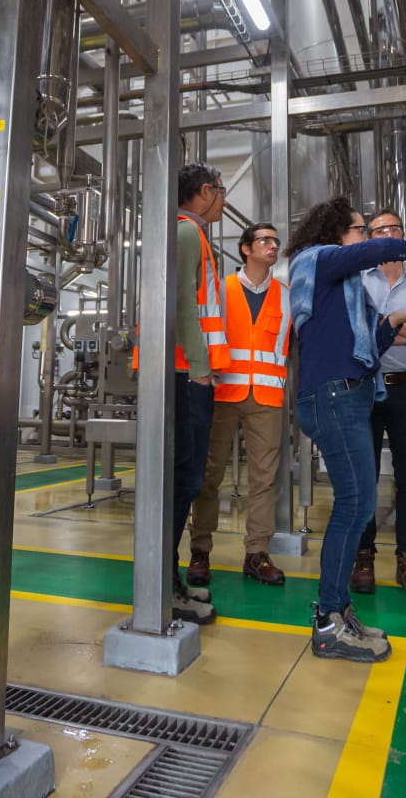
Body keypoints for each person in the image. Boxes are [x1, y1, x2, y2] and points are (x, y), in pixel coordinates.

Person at [287, 198, 406, 662]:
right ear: (336, 231)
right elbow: (368, 254)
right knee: (355, 504)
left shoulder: (346, 288)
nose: (366, 238)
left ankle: (337, 610)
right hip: (333, 396)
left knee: (357, 504)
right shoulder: (315, 260)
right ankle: (328, 622)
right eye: (359, 229)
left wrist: (397, 320)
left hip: (352, 393)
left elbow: (370, 348)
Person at [187, 222, 291, 588]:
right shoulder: (220, 289)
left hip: (267, 398)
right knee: (208, 476)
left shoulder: (286, 295)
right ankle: (200, 550)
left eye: (276, 241)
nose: (273, 246)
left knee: (264, 481)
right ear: (245, 249)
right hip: (222, 395)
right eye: (265, 240)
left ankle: (257, 554)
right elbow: (202, 333)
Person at [352, 208, 406, 596]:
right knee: (362, 476)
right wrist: (400, 327)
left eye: (393, 230)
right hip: (365, 387)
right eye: (378, 231)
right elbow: (356, 332)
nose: (386, 236)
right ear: (369, 238)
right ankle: (363, 555)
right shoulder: (357, 280)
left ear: (404, 234)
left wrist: (383, 329)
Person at [165, 163, 229, 624]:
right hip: (187, 374)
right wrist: (202, 370)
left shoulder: (192, 233)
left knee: (185, 478)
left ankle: (169, 580)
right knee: (183, 479)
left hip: (187, 371)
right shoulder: (187, 233)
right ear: (205, 191)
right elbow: (184, 303)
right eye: (221, 192)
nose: (223, 201)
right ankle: (163, 587)